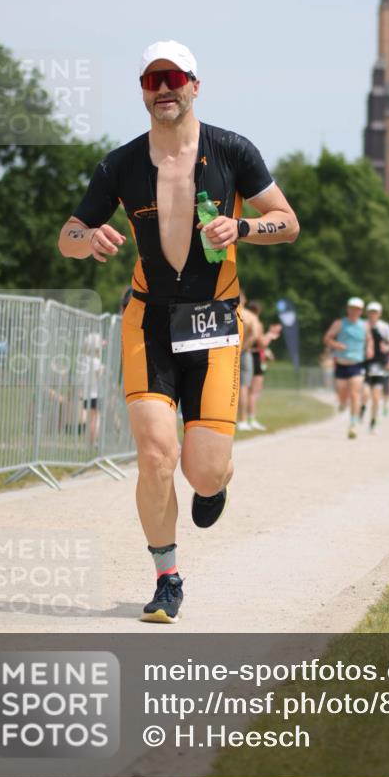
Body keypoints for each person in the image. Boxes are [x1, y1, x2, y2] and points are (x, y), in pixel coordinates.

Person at [58, 39, 299, 622]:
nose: (163, 88)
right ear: (142, 90)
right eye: (152, 80)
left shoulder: (233, 150)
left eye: (174, 78)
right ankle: (167, 577)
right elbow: (67, 234)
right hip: (148, 319)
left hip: (215, 320)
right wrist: (88, 239)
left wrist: (240, 227)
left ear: (195, 85)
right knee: (155, 454)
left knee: (202, 468)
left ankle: (216, 483)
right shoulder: (120, 164)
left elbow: (287, 224)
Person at [324, 298, 374, 439]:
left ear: (361, 311)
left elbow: (369, 339)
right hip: (341, 364)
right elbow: (327, 338)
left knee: (355, 394)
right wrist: (336, 345)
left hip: (357, 364)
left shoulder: (364, 325)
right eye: (352, 308)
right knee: (342, 394)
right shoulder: (339, 323)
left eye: (357, 309)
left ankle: (353, 424)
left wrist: (370, 348)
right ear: (348, 309)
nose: (354, 311)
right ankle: (342, 403)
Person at [244, 301, 282, 431]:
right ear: (258, 311)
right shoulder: (256, 323)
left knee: (248, 391)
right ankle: (251, 419)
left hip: (250, 355)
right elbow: (262, 343)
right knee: (254, 392)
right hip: (255, 358)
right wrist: (271, 335)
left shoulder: (243, 321)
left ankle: (248, 419)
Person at [362, 302, 389, 431]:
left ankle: (373, 421)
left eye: (375, 312)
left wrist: (388, 347)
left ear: (380, 313)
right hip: (365, 363)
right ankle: (362, 408)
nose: (373, 314)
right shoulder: (362, 325)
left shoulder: (385, 327)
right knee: (365, 394)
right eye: (371, 311)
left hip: (380, 365)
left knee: (376, 397)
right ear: (367, 313)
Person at [236, 293, 258, 433]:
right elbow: (255, 335)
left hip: (228, 352)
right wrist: (244, 348)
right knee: (243, 387)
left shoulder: (229, 312)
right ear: (245, 300)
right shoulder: (250, 316)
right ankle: (243, 420)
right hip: (244, 354)